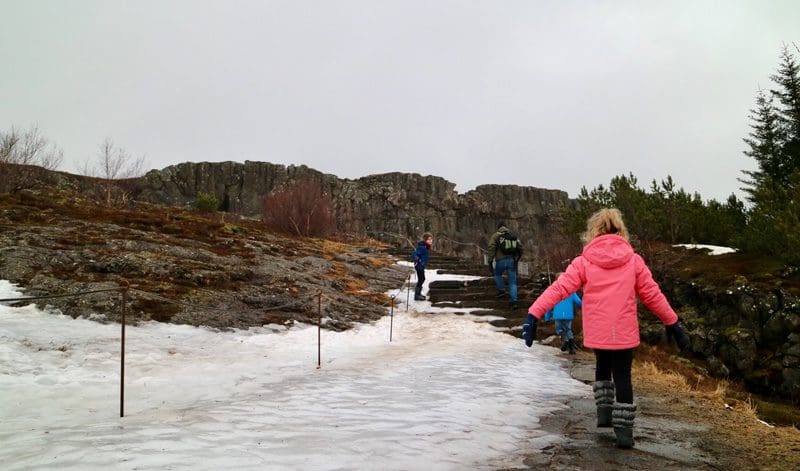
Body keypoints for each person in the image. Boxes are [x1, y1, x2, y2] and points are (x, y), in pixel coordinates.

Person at [522, 208, 689, 449]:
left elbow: (560, 289)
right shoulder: (634, 261)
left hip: (598, 332)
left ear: (594, 231)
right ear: (620, 230)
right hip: (624, 331)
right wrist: (672, 322)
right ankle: (624, 432)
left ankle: (603, 415)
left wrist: (534, 313)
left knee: (602, 366)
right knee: (623, 377)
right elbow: (652, 295)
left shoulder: (583, 262)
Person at [487, 222, 523, 309]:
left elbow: (491, 247)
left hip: (500, 260)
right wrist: (517, 258)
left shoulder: (496, 236)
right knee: (513, 282)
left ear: (498, 228)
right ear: (506, 227)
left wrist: (490, 261)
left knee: (497, 274)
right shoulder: (512, 235)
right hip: (512, 260)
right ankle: (514, 301)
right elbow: (520, 247)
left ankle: (502, 290)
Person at [543, 279, 581, 355]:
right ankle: (570, 346)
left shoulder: (554, 292)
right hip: (568, 315)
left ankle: (567, 342)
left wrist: (547, 317)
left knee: (559, 330)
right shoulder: (571, 292)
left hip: (558, 315)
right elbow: (579, 302)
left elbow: (548, 306)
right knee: (568, 329)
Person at [411, 232, 433, 301]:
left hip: (421, 266)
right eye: (429, 239)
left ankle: (418, 294)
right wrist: (417, 259)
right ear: (425, 240)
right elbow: (414, 254)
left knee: (422, 279)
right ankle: (417, 295)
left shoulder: (425, 247)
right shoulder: (422, 247)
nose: (431, 241)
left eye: (431, 239)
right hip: (419, 266)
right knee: (421, 279)